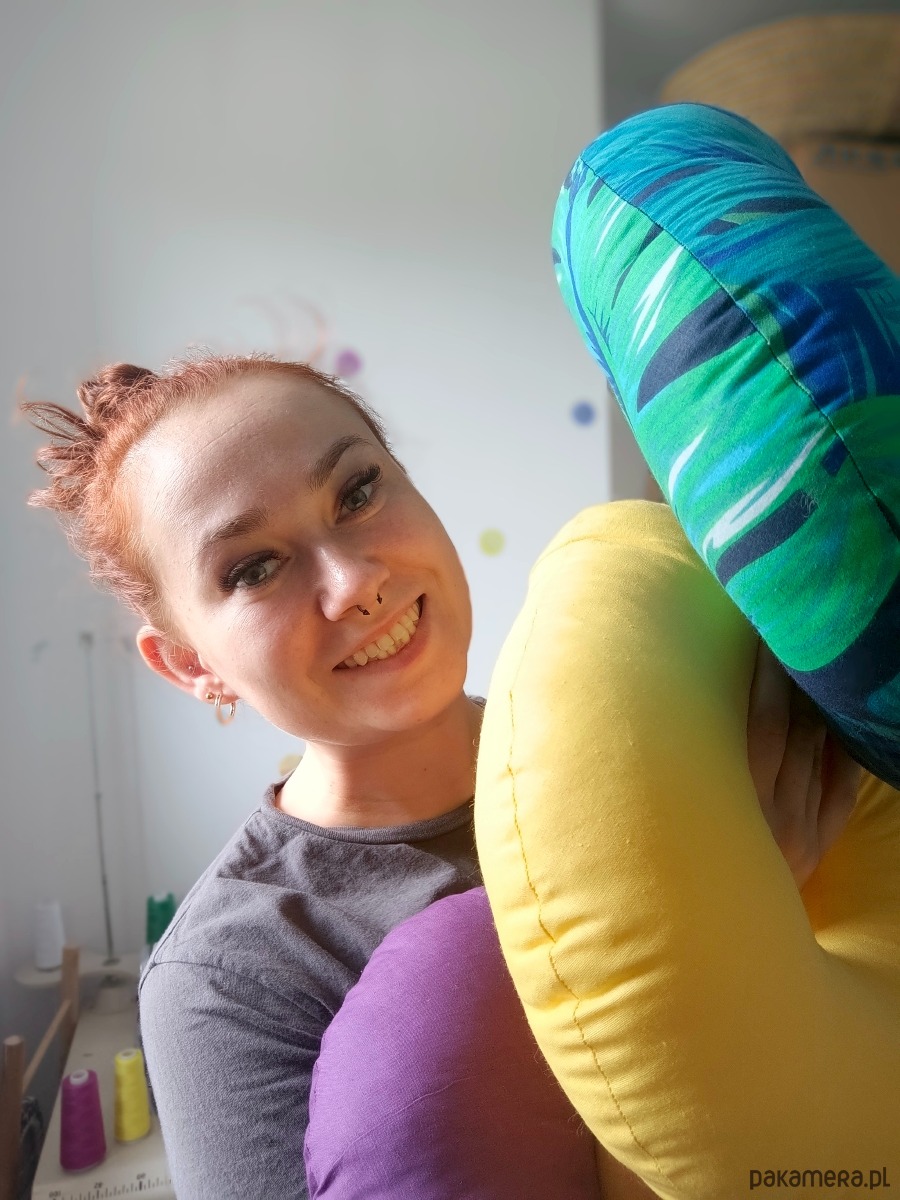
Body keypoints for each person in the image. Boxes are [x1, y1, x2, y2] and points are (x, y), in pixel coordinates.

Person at [22, 354, 861, 1200]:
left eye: (358, 492)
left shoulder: (666, 729)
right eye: (254, 568)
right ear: (190, 664)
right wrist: (723, 914)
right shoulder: (228, 978)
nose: (355, 583)